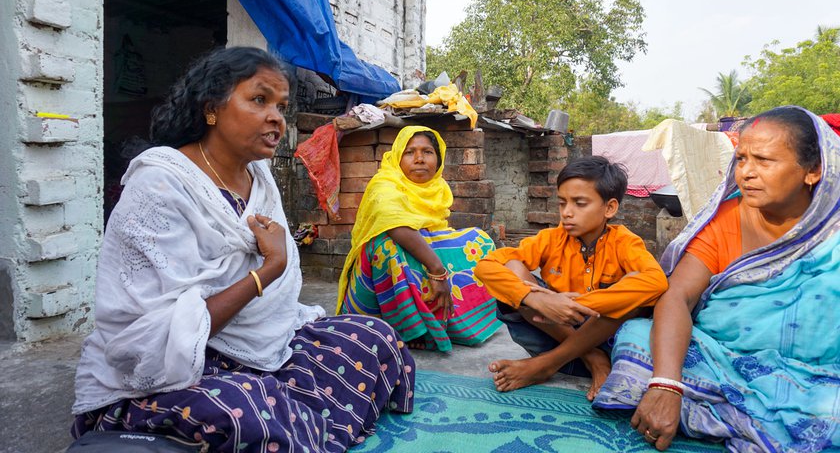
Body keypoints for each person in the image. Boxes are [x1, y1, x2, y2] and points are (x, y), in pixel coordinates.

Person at [71, 47, 414, 452]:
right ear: (211, 108)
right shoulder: (161, 185)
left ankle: (295, 411)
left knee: (372, 336)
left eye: (282, 106)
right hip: (177, 361)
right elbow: (153, 335)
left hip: (260, 342)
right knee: (246, 410)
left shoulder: (260, 178)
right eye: (259, 99)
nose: (276, 118)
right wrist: (269, 269)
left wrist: (272, 284)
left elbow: (277, 309)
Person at [594, 106, 840, 453]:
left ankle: (723, 414)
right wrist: (666, 384)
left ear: (813, 171)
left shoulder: (833, 232)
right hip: (723, 359)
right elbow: (678, 296)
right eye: (741, 159)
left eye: (764, 160)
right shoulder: (728, 219)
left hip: (819, 374)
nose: (746, 173)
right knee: (636, 338)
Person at [475, 156, 668, 399]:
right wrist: (535, 299)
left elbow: (657, 280)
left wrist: (578, 304)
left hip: (608, 338)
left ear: (609, 208)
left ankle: (548, 364)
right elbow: (485, 266)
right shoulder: (550, 239)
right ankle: (592, 358)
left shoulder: (624, 242)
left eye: (579, 203)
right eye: (562, 203)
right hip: (553, 331)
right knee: (514, 266)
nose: (566, 213)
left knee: (635, 292)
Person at [337, 126, 502, 351]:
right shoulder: (384, 184)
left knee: (479, 240)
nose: (419, 159)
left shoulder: (439, 189)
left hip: (418, 261)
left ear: (439, 158)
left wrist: (436, 262)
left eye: (427, 152)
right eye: (409, 152)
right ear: (397, 157)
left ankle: (447, 320)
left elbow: (433, 235)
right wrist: (437, 270)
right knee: (388, 246)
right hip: (375, 285)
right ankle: (408, 326)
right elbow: (393, 222)